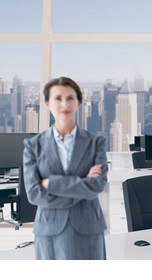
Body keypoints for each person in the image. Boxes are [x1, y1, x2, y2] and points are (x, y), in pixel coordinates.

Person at [23, 77, 108, 260]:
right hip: (49, 230)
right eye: (58, 98)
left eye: (70, 98)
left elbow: (97, 186)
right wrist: (82, 183)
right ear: (47, 103)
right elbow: (34, 194)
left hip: (88, 228)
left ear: (78, 102)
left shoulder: (95, 143)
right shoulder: (33, 146)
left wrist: (51, 183)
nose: (64, 104)